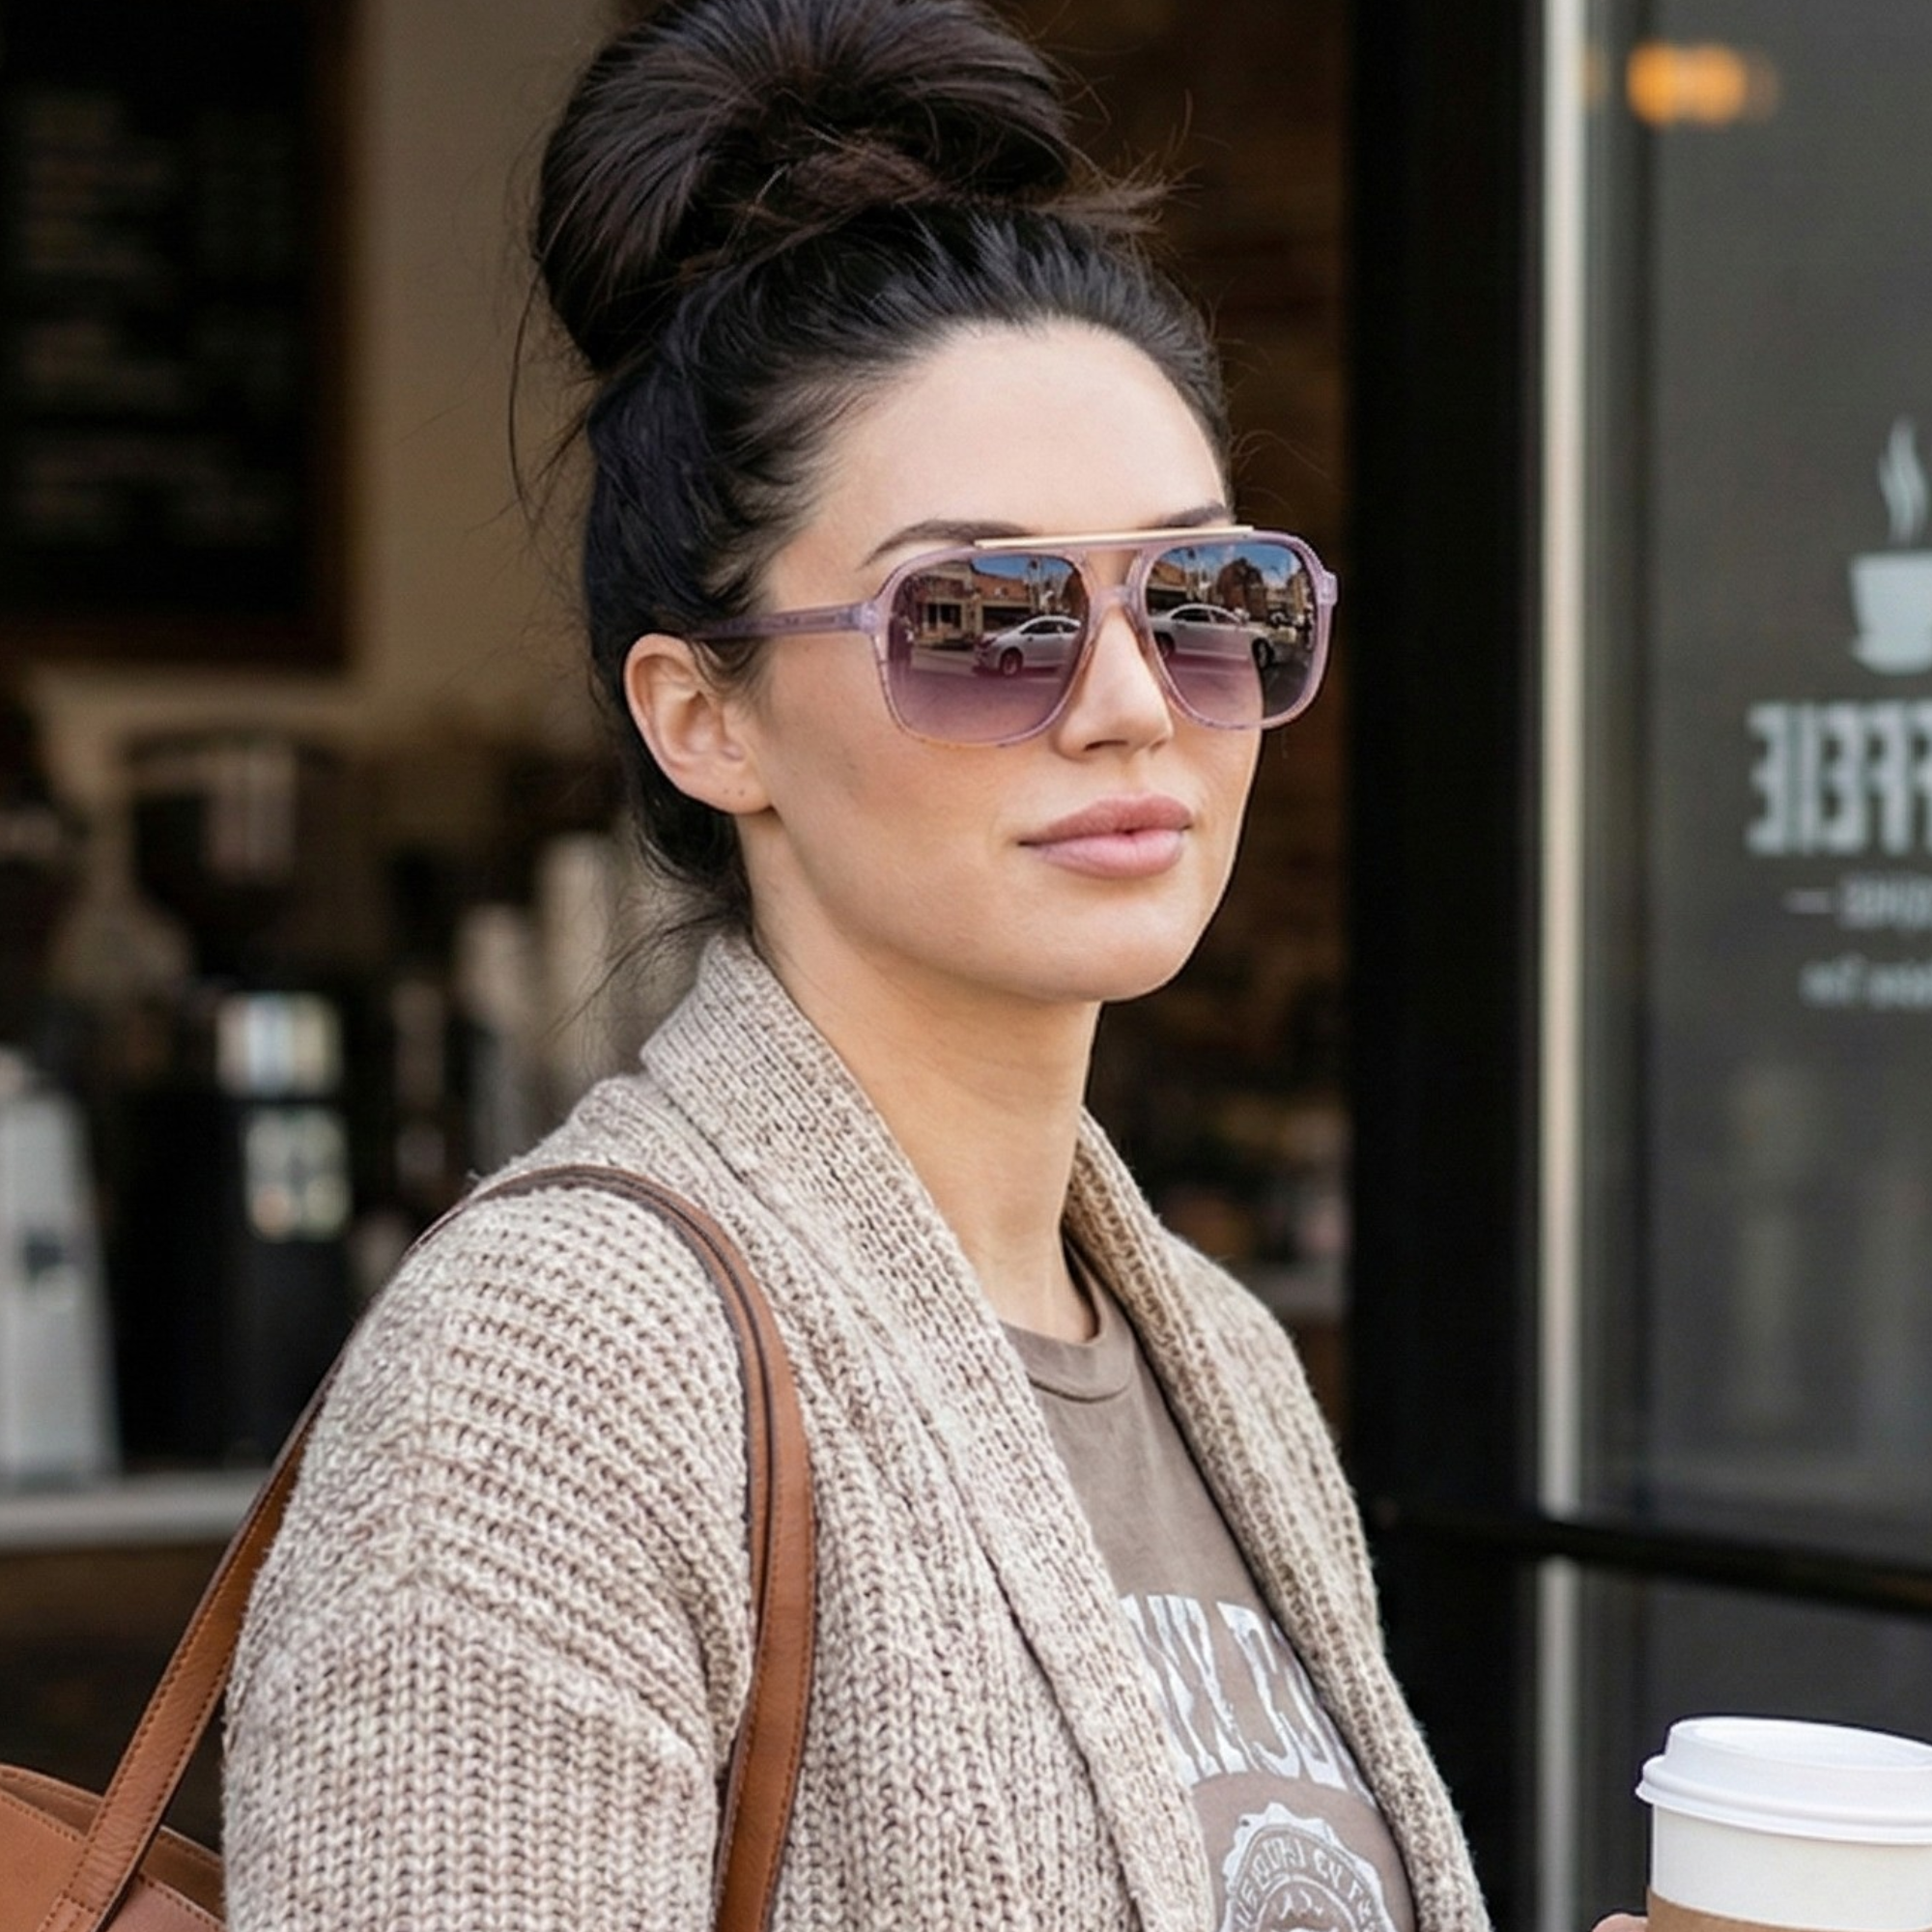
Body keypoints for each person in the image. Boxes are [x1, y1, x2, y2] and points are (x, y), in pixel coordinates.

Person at [222, 1, 1493, 1926]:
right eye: (983, 615)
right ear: (702, 715)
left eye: (1207, 595)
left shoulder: (1213, 1357)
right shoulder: (554, 1371)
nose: (1134, 703)